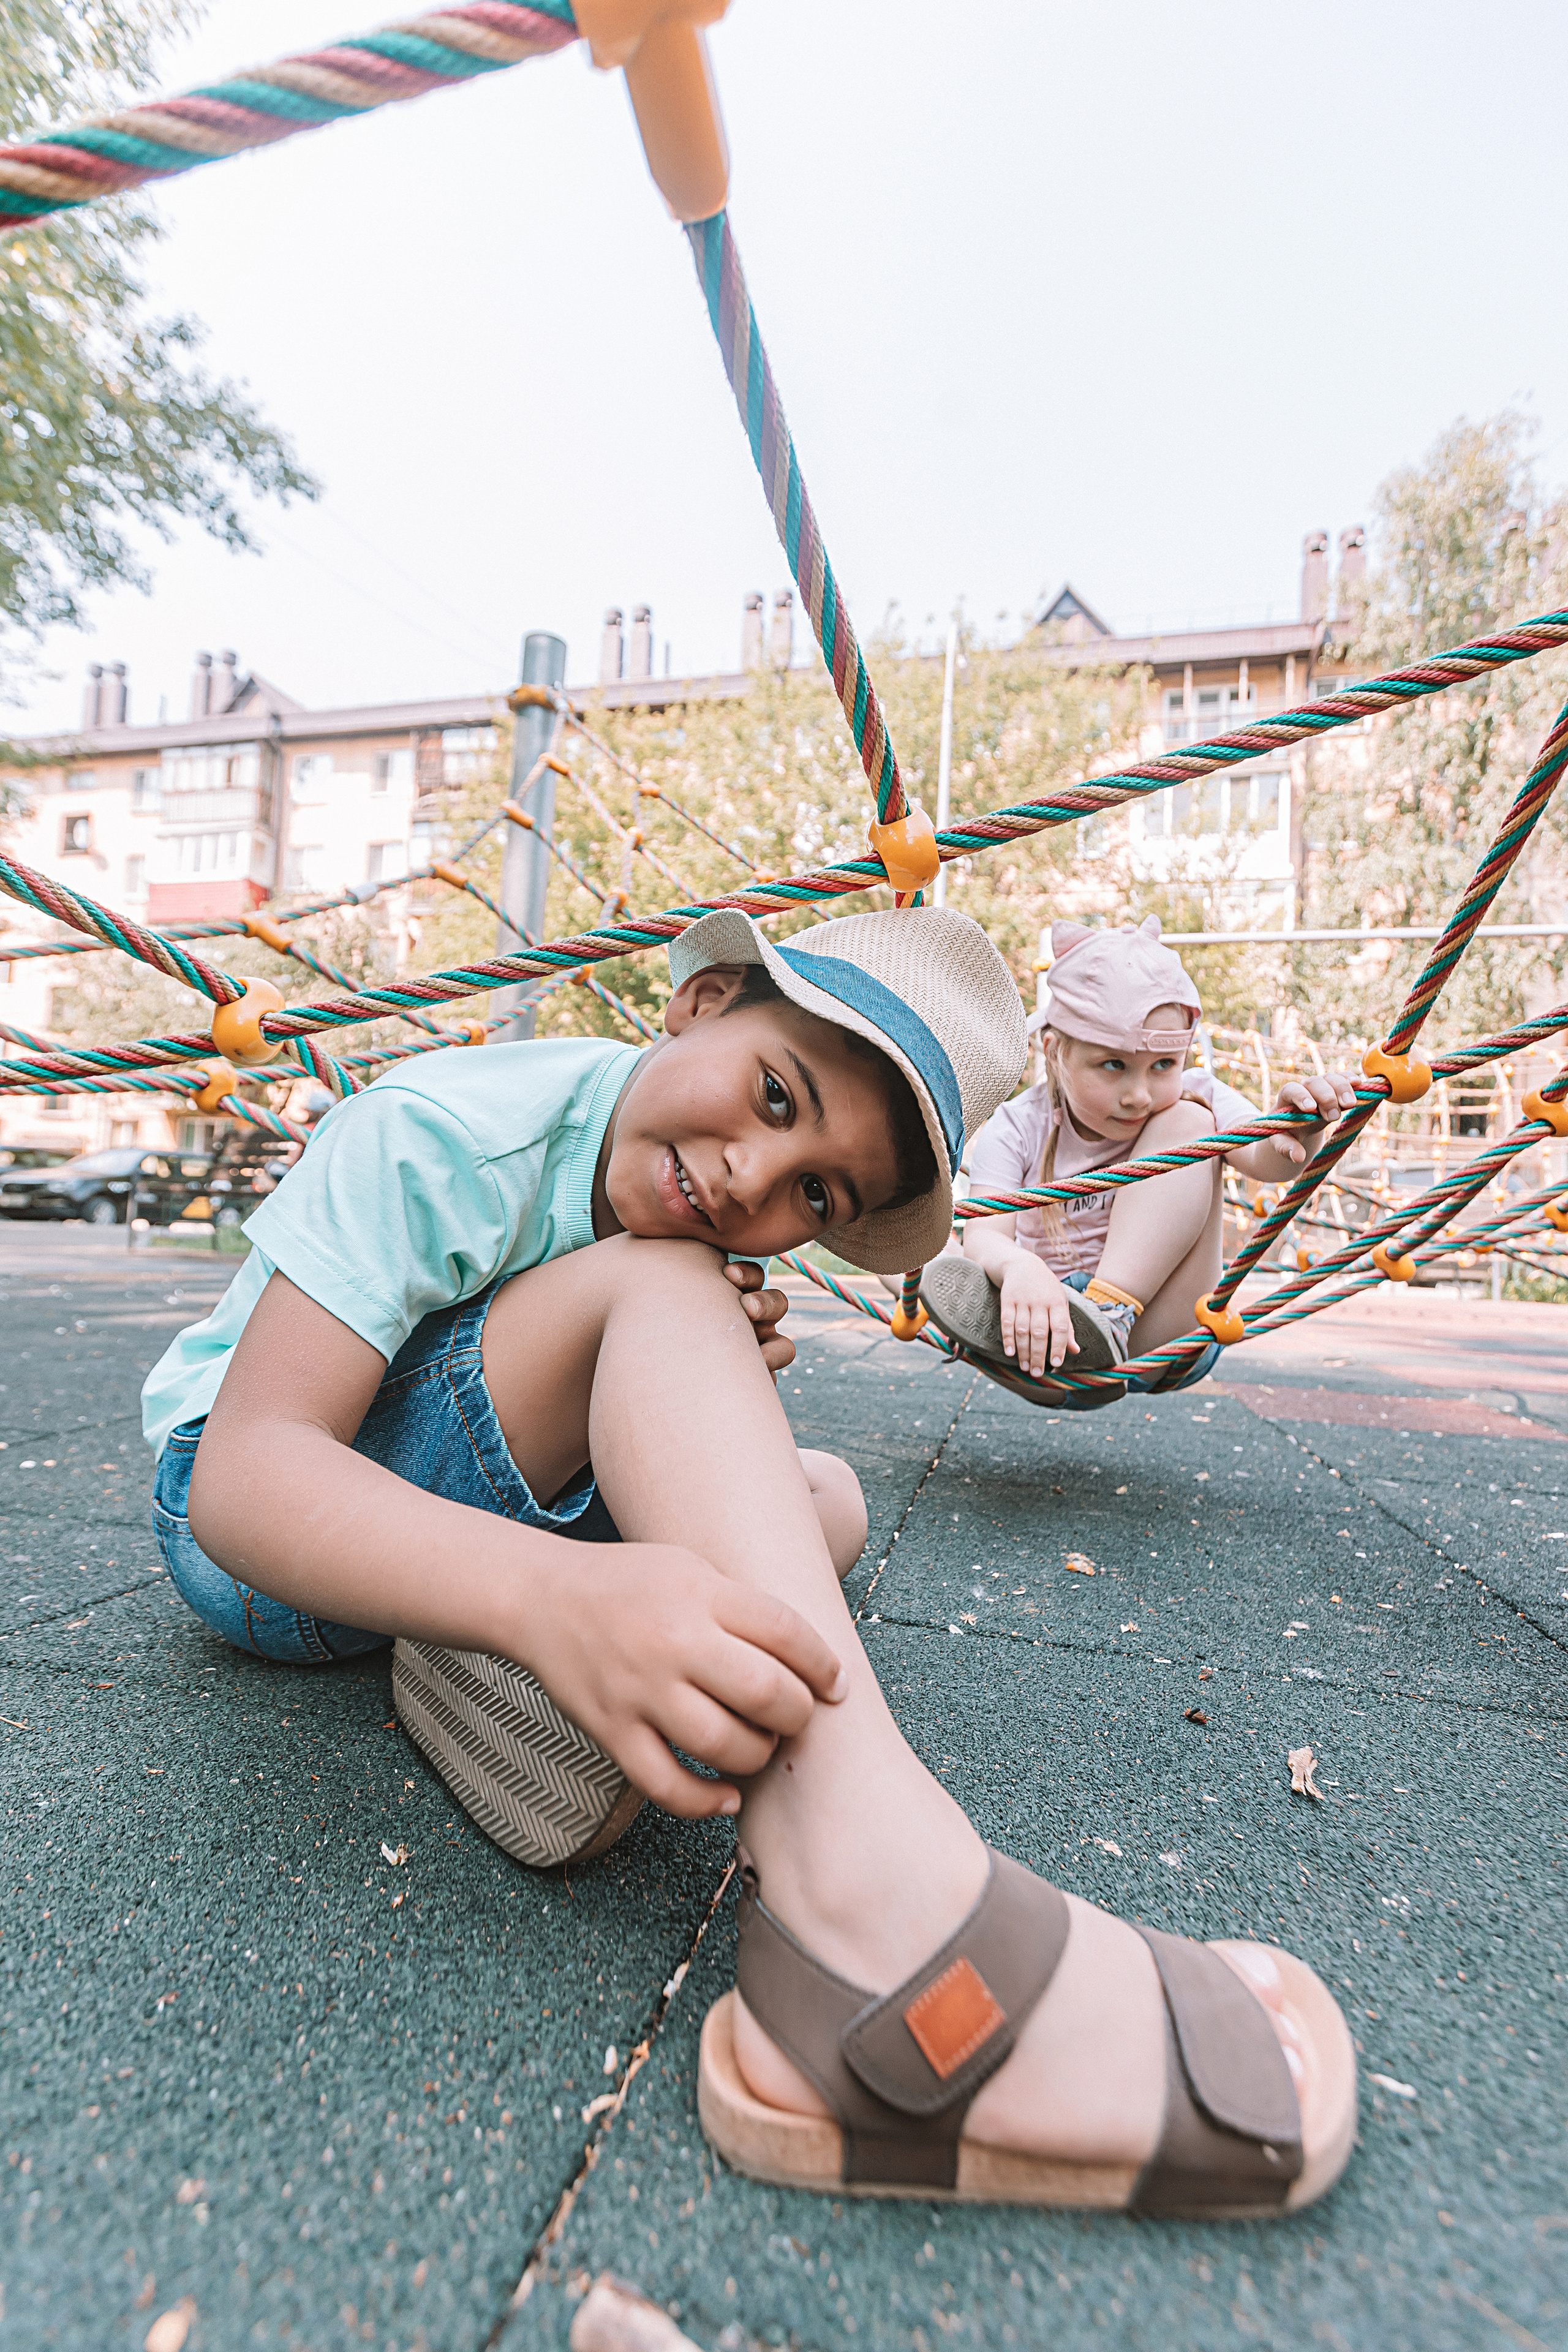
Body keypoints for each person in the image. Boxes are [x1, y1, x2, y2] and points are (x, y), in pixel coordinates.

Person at [141, 904, 1355, 2214]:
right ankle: (872, 1907)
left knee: (820, 1500)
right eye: (775, 1096)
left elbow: (593, 1377)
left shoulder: (689, 1197)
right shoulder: (443, 1130)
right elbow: (244, 1477)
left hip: (460, 1491)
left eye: (813, 1197)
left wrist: (683, 1376)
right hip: (261, 1530)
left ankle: (462, 1645)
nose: (749, 1181)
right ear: (702, 1000)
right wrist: (554, 1588)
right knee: (661, 1296)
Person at [919, 917, 1358, 1400]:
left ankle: (1105, 1319)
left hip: (1163, 1333)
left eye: (1164, 1066)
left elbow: (1271, 1162)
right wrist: (1021, 1269)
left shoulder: (1196, 1097)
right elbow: (986, 1235)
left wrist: (1300, 1127)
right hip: (1055, 1316)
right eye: (1114, 1066)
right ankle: (1033, 1347)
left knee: (1190, 1121)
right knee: (923, 1245)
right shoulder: (1018, 1125)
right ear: (1055, 1051)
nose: (1140, 1095)